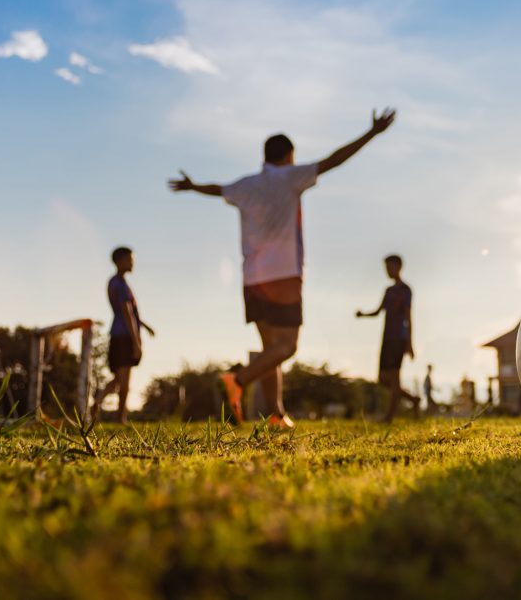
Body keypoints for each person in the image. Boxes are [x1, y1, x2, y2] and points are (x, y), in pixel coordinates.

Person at [169, 108, 397, 428]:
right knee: (287, 347)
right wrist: (371, 133)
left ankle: (275, 414)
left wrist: (193, 187)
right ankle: (236, 380)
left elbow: (218, 189)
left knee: (270, 349)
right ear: (289, 156)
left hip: (252, 278)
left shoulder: (246, 185)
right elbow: (334, 160)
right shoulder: (290, 177)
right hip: (284, 275)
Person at [92, 246, 155, 424]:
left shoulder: (116, 282)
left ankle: (97, 402)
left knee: (119, 379)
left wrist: (145, 326)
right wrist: (136, 342)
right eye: (129, 259)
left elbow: (130, 313)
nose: (132, 262)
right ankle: (121, 417)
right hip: (124, 336)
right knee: (124, 380)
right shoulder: (119, 284)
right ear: (119, 261)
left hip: (118, 334)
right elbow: (126, 313)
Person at [356, 254, 420, 422]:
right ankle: (413, 400)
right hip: (386, 338)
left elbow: (408, 317)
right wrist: (363, 315)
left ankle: (389, 417)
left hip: (399, 338)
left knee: (394, 377)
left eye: (389, 267)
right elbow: (378, 312)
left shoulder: (406, 290)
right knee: (383, 379)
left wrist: (410, 343)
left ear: (399, 267)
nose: (387, 271)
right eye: (386, 268)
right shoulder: (388, 291)